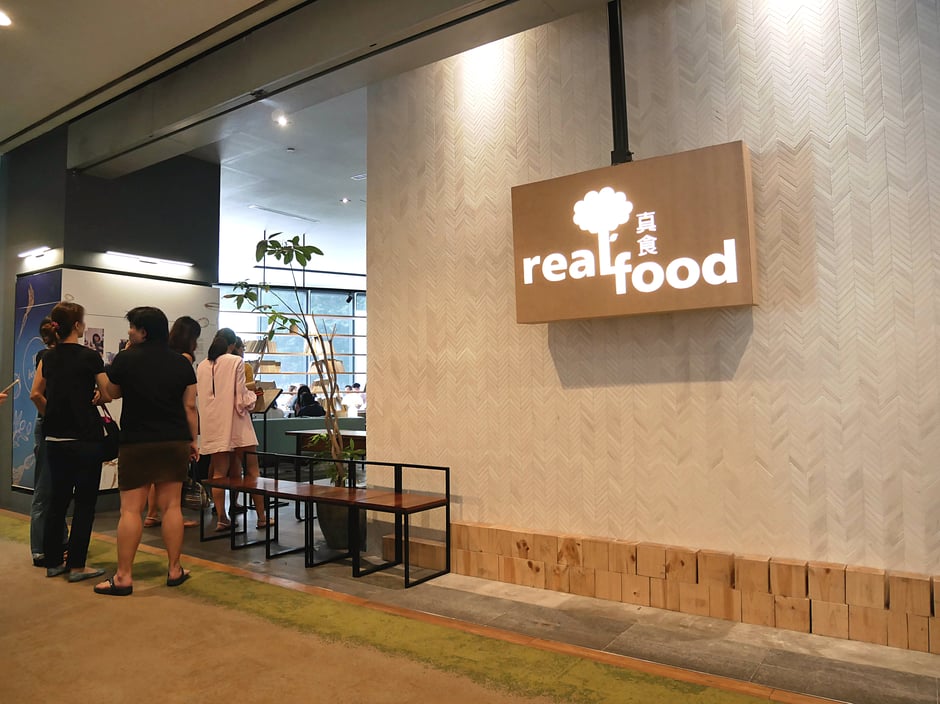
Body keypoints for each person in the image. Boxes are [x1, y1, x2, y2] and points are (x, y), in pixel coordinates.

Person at [94, 306, 198, 596]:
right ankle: (175, 569)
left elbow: (111, 393)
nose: (129, 331)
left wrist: (103, 369)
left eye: (132, 327)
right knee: (172, 507)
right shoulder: (181, 363)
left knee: (130, 510)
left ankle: (124, 577)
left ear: (143, 331)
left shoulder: (127, 359)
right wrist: (194, 441)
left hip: (136, 441)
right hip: (174, 440)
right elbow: (190, 406)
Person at [29, 301, 112, 583]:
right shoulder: (89, 357)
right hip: (86, 438)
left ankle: (54, 562)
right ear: (77, 326)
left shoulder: (47, 357)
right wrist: (100, 396)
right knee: (85, 504)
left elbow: (35, 394)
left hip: (54, 438)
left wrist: (51, 413)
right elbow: (108, 392)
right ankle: (77, 566)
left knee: (57, 502)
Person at [196, 328, 270, 532]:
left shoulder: (202, 365)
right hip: (237, 424)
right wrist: (254, 396)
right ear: (232, 344)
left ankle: (222, 518)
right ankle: (262, 517)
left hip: (214, 426)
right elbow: (241, 400)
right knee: (253, 472)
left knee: (219, 473)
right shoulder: (236, 361)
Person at [143, 315, 202, 529]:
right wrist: (192, 437)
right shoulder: (184, 359)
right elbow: (189, 403)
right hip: (175, 423)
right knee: (173, 478)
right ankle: (170, 515)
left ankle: (151, 513)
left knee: (153, 473)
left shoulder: (163, 355)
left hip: (154, 421)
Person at [28, 317, 68, 566]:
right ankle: (40, 549)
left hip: (51, 425)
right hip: (48, 426)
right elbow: (37, 394)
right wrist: (50, 416)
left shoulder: (51, 356)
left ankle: (57, 541)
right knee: (45, 491)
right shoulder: (48, 357)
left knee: (56, 489)